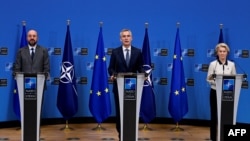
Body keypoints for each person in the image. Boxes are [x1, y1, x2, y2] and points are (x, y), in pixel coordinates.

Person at [108, 29, 144, 140]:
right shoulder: (115, 52)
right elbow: (110, 68)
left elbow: (140, 67)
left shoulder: (138, 52)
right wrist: (114, 74)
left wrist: (144, 73)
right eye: (124, 36)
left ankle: (131, 135)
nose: (126, 38)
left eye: (128, 36)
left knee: (131, 112)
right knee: (120, 112)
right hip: (119, 87)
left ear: (132, 38)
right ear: (120, 39)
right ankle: (121, 135)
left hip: (132, 87)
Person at [206, 43, 236, 141]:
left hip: (227, 94)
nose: (222, 53)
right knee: (214, 116)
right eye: (220, 51)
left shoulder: (232, 65)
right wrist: (217, 83)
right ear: (217, 53)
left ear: (227, 53)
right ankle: (213, 138)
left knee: (226, 116)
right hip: (214, 92)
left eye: (224, 51)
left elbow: (234, 78)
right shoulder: (212, 64)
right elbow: (209, 79)